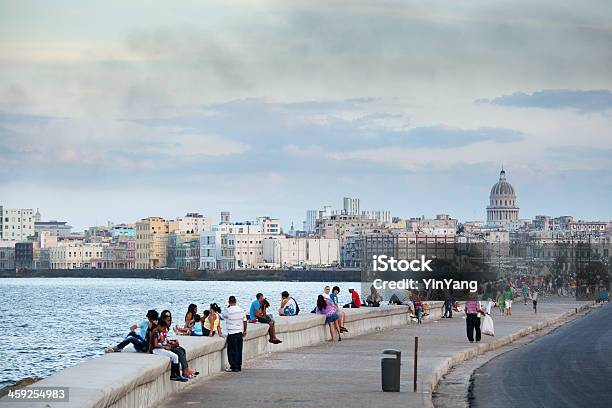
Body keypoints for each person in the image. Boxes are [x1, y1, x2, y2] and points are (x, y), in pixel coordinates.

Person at [160, 310, 198, 379]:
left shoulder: (165, 328)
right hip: (162, 347)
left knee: (182, 350)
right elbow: (160, 341)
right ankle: (185, 371)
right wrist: (170, 344)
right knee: (179, 352)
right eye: (167, 319)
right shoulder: (159, 328)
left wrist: (172, 342)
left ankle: (185, 369)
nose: (169, 321)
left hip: (166, 344)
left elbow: (165, 339)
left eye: (169, 319)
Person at [148, 317, 188, 382]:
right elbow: (155, 344)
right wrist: (165, 347)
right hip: (155, 350)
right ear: (159, 326)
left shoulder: (158, 331)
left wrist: (168, 344)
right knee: (175, 356)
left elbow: (161, 342)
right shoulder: (155, 332)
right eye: (163, 328)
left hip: (160, 348)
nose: (163, 330)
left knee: (174, 357)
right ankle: (174, 376)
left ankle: (177, 375)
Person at [221, 295, 247, 372]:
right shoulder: (241, 310)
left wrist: (228, 307)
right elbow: (245, 321)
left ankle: (233, 366)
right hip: (239, 332)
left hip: (232, 333)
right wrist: (245, 330)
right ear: (236, 301)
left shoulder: (228, 310)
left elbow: (222, 316)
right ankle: (238, 366)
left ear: (229, 302)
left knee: (232, 351)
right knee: (239, 350)